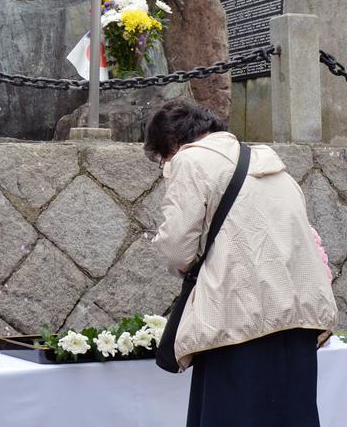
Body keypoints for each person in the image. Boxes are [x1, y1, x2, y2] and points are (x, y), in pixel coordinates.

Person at [144, 99, 337, 427]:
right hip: (298, 319)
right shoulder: (274, 167)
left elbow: (176, 249)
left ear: (173, 144)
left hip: (238, 319)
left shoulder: (190, 160)